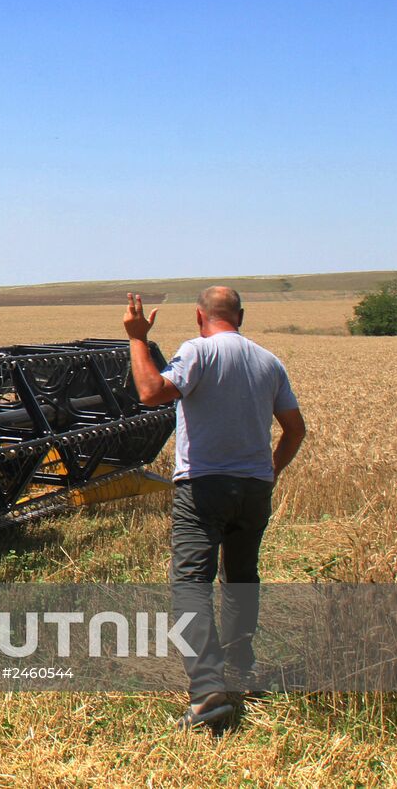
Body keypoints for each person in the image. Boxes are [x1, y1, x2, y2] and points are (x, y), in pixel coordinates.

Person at [122, 286, 307, 731]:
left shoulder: (198, 352)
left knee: (190, 585)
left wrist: (135, 337)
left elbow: (150, 392)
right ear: (240, 315)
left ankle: (207, 692)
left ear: (199, 317)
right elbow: (296, 431)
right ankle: (241, 670)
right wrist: (270, 470)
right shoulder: (269, 361)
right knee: (242, 577)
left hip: (203, 486)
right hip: (254, 489)